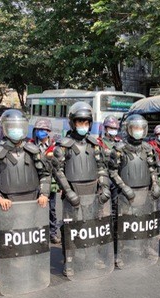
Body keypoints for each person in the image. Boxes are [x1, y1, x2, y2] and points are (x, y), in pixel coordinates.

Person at [0, 109, 50, 290]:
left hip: (32, 202)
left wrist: (44, 193)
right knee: (5, 239)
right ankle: (2, 275)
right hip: (8, 205)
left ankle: (33, 269)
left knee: (33, 238)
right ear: (5, 128)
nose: (16, 131)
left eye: (19, 127)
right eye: (12, 127)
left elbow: (45, 174)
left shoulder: (33, 151)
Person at [51, 102, 111, 276]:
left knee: (91, 225)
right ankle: (69, 260)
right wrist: (68, 192)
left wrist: (105, 187)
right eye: (79, 122)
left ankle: (92, 256)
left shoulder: (94, 144)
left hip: (92, 190)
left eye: (86, 123)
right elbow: (58, 171)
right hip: (73, 191)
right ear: (72, 122)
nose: (83, 126)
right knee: (71, 227)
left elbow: (101, 168)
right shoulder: (63, 145)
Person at [109, 114, 160, 268]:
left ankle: (144, 248)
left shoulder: (148, 148)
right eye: (135, 128)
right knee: (123, 224)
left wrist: (156, 184)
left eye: (141, 128)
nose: (138, 131)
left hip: (144, 191)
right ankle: (120, 253)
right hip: (125, 194)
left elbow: (152, 169)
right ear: (128, 129)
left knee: (143, 221)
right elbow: (112, 171)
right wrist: (124, 188)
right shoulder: (119, 149)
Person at [30, 118, 60, 244]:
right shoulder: (30, 145)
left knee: (51, 209)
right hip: (33, 182)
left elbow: (59, 166)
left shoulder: (54, 147)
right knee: (34, 209)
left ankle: (52, 233)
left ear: (48, 131)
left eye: (44, 130)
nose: (41, 132)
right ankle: (36, 234)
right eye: (39, 130)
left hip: (50, 183)